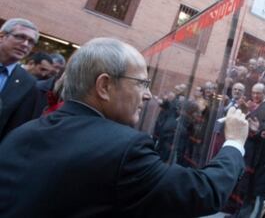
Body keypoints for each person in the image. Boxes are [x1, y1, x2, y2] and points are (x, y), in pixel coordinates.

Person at [0, 37, 248, 218]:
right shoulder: (124, 149)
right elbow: (203, 192)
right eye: (141, 83)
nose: (149, 95)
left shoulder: (21, 133)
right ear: (104, 86)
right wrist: (235, 142)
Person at [0, 18, 39, 140]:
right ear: (2, 37)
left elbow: (15, 127)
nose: (25, 44)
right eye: (20, 37)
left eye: (31, 41)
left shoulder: (29, 83)